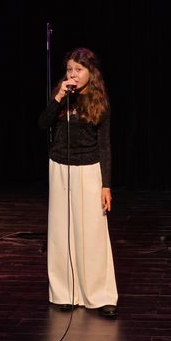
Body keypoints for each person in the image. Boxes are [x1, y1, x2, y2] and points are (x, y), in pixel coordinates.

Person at [38, 47, 118, 318]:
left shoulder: (99, 101)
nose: (72, 74)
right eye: (69, 69)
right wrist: (59, 97)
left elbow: (105, 146)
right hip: (60, 167)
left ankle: (101, 294)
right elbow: (42, 124)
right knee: (61, 232)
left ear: (90, 73)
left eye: (78, 70)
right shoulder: (62, 97)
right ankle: (65, 292)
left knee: (93, 234)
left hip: (89, 169)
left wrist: (106, 185)